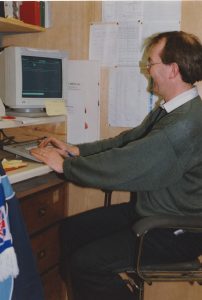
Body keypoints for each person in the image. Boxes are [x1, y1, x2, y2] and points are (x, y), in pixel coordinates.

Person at [31, 31, 202, 300]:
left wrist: (66, 167)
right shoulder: (171, 110)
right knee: (72, 231)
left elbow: (126, 163)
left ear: (172, 69)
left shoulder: (182, 125)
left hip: (175, 230)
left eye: (151, 63)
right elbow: (128, 141)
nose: (148, 70)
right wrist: (76, 151)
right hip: (152, 212)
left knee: (86, 265)